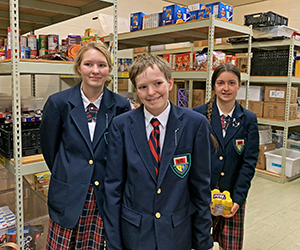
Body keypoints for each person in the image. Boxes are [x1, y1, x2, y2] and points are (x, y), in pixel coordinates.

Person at [104, 53, 213, 250]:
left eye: (158, 84)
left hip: (176, 233)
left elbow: (201, 188)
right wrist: (113, 243)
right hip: (135, 235)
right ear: (136, 90)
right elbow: (113, 187)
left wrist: (203, 241)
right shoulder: (121, 126)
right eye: (143, 87)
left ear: (170, 83)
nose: (151, 92)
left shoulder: (195, 124)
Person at [40, 42, 131, 249]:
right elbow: (50, 149)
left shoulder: (120, 106)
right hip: (68, 193)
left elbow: (122, 152)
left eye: (102, 65)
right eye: (89, 64)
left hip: (103, 195)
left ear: (110, 69)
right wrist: (69, 171)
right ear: (79, 67)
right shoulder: (58, 103)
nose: (96, 71)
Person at [193, 63, 259, 250]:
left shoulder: (248, 119)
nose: (226, 88)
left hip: (232, 196)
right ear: (214, 85)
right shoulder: (198, 115)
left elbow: (249, 162)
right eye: (221, 83)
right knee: (199, 243)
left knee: (229, 245)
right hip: (202, 196)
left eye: (231, 83)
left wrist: (239, 198)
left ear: (239, 86)